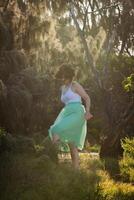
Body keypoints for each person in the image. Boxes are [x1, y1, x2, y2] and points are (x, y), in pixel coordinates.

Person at [48, 64, 93, 169]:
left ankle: (54, 151)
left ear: (70, 76)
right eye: (62, 77)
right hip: (66, 112)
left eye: (65, 77)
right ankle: (76, 171)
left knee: (55, 129)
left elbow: (87, 98)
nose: (63, 79)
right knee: (72, 145)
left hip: (78, 112)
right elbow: (66, 102)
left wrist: (88, 112)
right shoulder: (62, 88)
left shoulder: (75, 85)